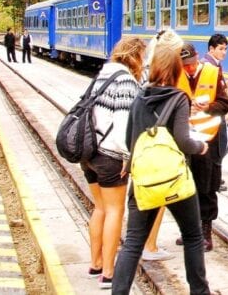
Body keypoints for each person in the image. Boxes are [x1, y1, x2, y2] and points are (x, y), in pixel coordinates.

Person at [112, 46, 211, 295]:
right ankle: (199, 291)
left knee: (133, 242)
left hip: (144, 181)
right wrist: (200, 147)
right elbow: (183, 141)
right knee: (192, 236)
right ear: (177, 69)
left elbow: (129, 141)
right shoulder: (179, 98)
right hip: (174, 180)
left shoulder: (139, 97)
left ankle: (119, 292)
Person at [80, 37, 146, 290]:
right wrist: (127, 157)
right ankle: (108, 272)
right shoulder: (126, 80)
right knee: (115, 211)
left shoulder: (103, 73)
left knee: (100, 208)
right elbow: (123, 123)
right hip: (110, 155)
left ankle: (95, 262)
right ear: (135, 56)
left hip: (90, 153)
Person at [175, 42, 228, 251]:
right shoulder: (175, 75)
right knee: (184, 186)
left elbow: (225, 104)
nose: (188, 68)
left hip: (209, 139)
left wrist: (209, 107)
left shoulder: (212, 73)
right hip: (184, 139)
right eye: (184, 65)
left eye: (190, 63)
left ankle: (205, 233)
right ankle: (188, 230)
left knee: (207, 186)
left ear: (197, 57)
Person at [139, 29, 184, 263]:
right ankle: (150, 245)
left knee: (146, 197)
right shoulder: (158, 76)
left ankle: (143, 242)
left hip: (142, 143)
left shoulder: (145, 70)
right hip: (155, 144)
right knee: (159, 195)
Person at [201, 33, 228, 192]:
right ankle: (214, 182)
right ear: (211, 49)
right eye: (220, 49)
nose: (224, 52)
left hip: (213, 113)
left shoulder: (214, 64)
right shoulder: (209, 66)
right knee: (217, 149)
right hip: (213, 114)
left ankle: (214, 180)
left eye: (225, 49)